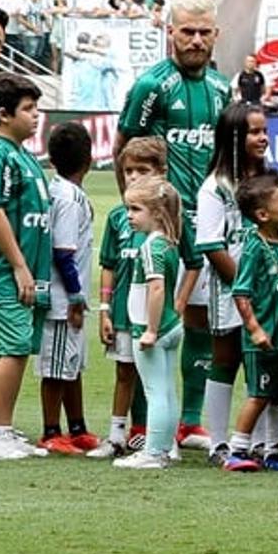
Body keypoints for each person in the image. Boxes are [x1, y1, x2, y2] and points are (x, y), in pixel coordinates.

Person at [117, 0, 229, 448]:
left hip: (205, 223)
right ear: (170, 34)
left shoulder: (223, 86)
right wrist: (134, 211)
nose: (196, 41)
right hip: (160, 226)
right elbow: (125, 145)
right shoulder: (152, 86)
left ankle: (189, 421)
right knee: (152, 320)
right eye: (187, 31)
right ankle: (144, 426)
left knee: (199, 320)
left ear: (216, 35)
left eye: (204, 32)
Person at [187, 101, 273, 462]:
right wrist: (244, 287)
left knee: (266, 364)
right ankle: (219, 443)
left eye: (264, 131)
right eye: (254, 132)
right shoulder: (215, 187)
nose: (263, 138)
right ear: (234, 136)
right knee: (225, 360)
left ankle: (265, 443)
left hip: (269, 291)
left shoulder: (267, 181)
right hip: (229, 289)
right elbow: (210, 244)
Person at [0, 73, 52, 461]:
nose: (36, 116)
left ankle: (5, 427)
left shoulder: (24, 156)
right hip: (4, 271)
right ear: (3, 114)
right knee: (12, 347)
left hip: (31, 272)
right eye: (28, 109)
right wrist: (19, 265)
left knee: (18, 348)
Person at [219, 174, 278, 473]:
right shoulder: (255, 247)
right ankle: (237, 449)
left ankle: (274, 450)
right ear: (263, 215)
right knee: (260, 394)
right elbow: (241, 293)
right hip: (263, 339)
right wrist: (254, 328)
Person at [91, 137, 166, 459]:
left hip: (155, 314)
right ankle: (116, 435)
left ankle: (158, 437)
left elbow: (186, 265)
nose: (134, 177)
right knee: (124, 372)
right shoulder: (119, 218)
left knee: (156, 376)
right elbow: (108, 264)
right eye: (129, 171)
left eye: (143, 170)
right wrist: (105, 309)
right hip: (123, 310)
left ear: (161, 172)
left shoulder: (167, 219)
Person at [113, 176, 184, 471]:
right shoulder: (169, 243)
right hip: (171, 325)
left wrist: (151, 330)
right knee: (166, 390)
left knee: (155, 392)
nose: (129, 215)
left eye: (135, 209)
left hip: (151, 329)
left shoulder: (151, 247)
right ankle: (165, 447)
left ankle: (154, 451)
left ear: (156, 212)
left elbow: (156, 288)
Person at [38, 121, 97, 455]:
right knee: (57, 367)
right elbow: (64, 251)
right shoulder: (68, 197)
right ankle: (50, 431)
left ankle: (77, 427)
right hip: (62, 299)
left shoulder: (57, 189)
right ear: (88, 159)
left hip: (68, 296)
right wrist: (75, 295)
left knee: (72, 365)